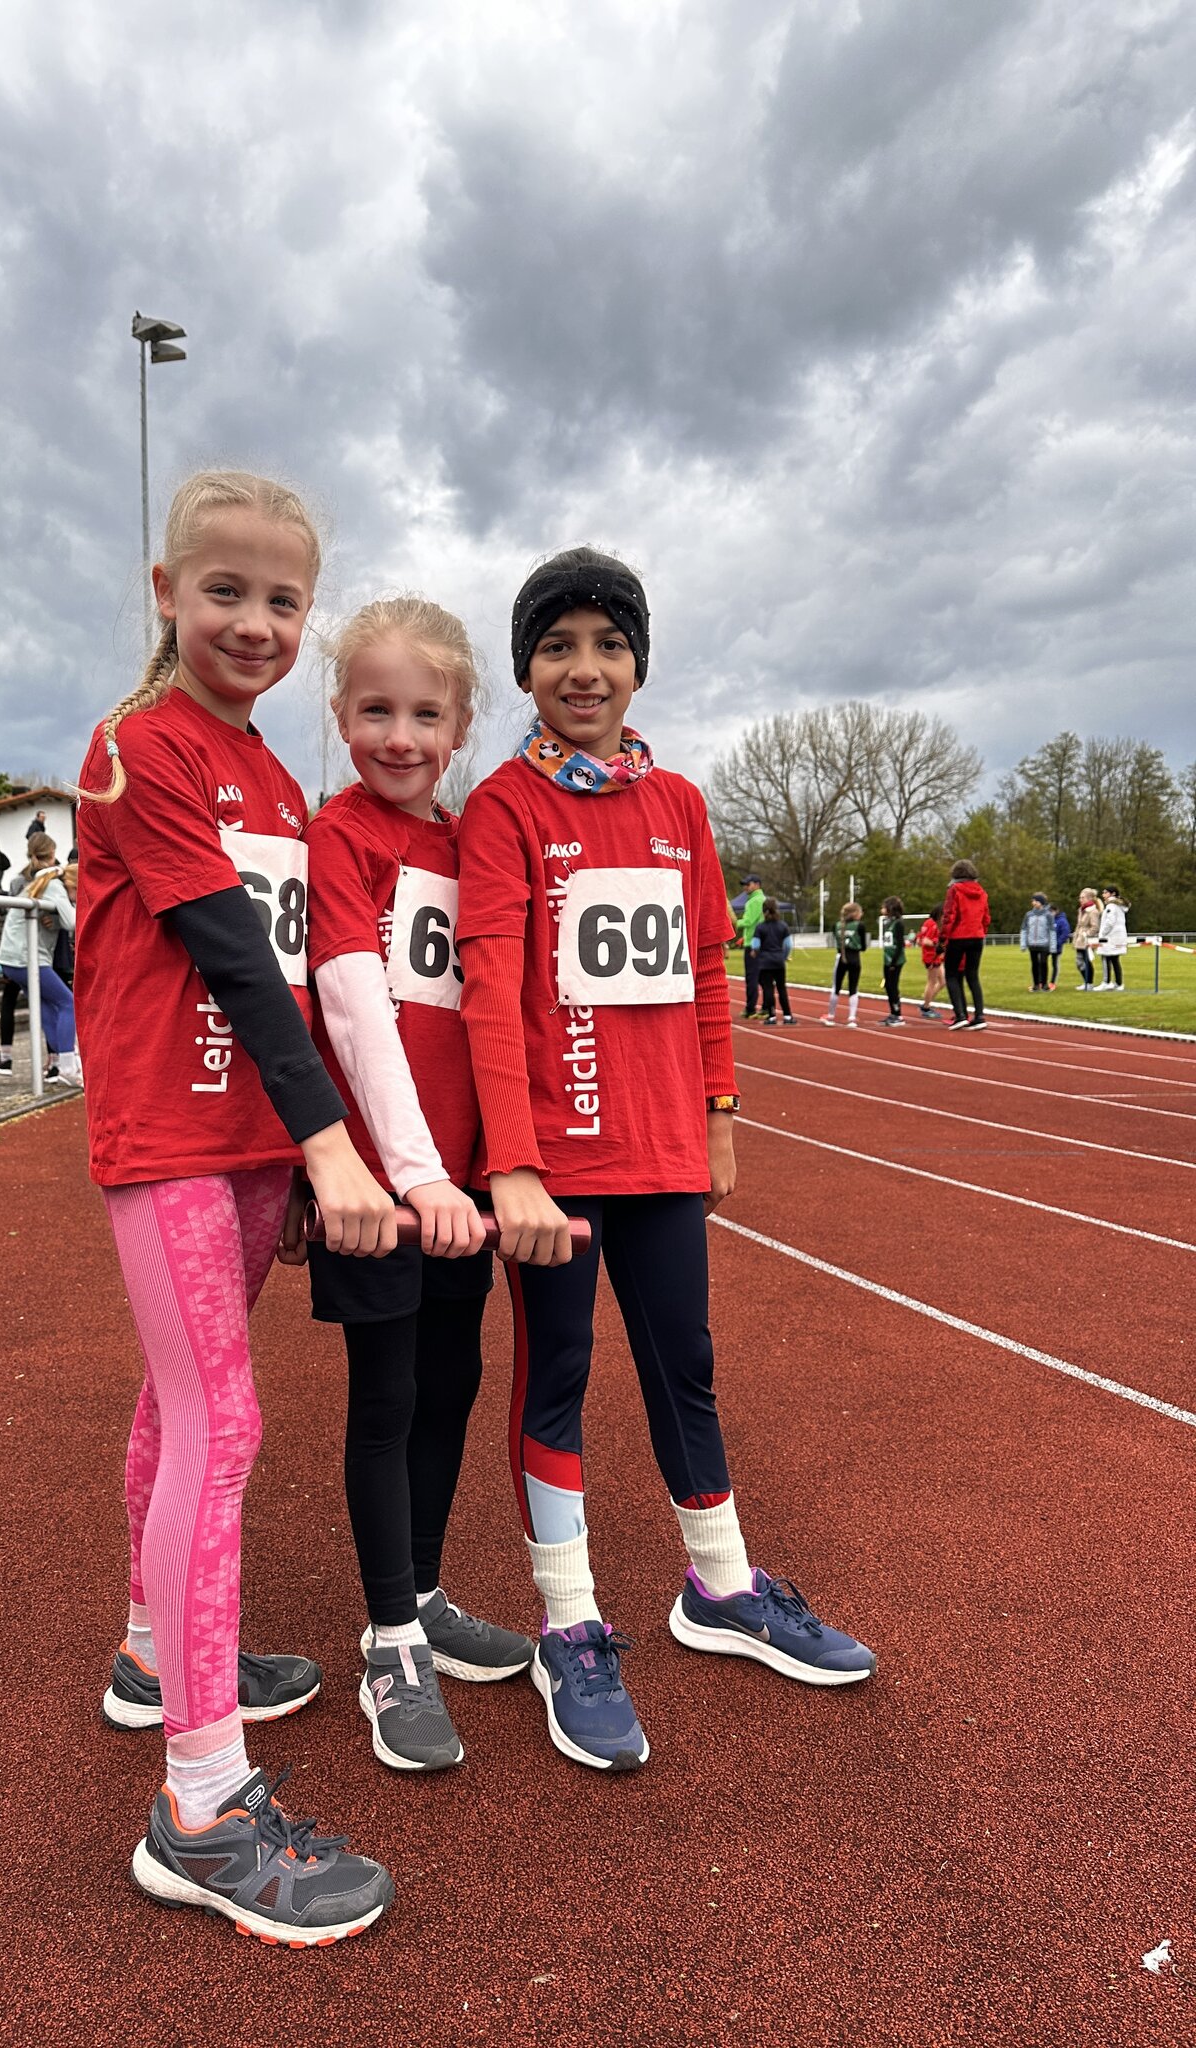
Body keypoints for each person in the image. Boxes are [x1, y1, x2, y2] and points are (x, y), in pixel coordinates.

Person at [457, 545, 874, 1775]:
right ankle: (569, 1622)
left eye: (608, 643)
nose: (584, 668)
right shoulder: (503, 808)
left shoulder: (682, 805)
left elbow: (700, 969)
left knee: (685, 1364)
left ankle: (722, 1587)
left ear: (639, 660)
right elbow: (492, 995)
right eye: (557, 646)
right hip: (553, 1169)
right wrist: (513, 1165)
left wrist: (722, 1111)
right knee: (560, 1376)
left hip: (664, 1154)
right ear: (527, 666)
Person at [75, 470, 395, 1943]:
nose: (255, 623)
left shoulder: (275, 780)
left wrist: (318, 1141)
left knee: (174, 1400)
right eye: (225, 593)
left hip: (256, 1142)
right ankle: (199, 1805)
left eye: (281, 601)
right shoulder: (139, 746)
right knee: (224, 1420)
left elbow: (313, 979)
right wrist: (335, 1146)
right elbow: (230, 960)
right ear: (165, 593)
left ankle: (154, 1656)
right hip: (176, 1142)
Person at [301, 596, 533, 1774]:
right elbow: (351, 1003)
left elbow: (496, 1016)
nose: (400, 735)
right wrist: (411, 1173)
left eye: (425, 713)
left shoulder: (469, 843)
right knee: (386, 1395)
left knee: (455, 1377)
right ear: (342, 716)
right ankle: (389, 1635)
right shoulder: (337, 838)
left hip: (465, 1189)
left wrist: (497, 1169)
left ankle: (427, 1589)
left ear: (460, 725)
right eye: (376, 710)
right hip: (384, 1188)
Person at [0, 844, 79, 1083]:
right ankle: (67, 1065)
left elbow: (63, 919)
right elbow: (73, 922)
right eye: (78, 893)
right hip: (25, 957)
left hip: (17, 956)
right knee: (67, 1003)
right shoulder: (55, 886)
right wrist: (65, 914)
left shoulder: (48, 881)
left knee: (46, 1005)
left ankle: (62, 1063)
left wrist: (55, 918)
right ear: (72, 886)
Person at [939, 858, 990, 1031]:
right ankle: (979, 1015)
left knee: (951, 974)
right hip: (977, 936)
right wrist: (981, 931)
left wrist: (942, 939)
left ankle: (960, 1014)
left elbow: (949, 915)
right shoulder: (982, 892)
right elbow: (986, 917)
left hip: (958, 936)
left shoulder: (955, 890)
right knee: (973, 975)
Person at [752, 896, 795, 1024]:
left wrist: (756, 954)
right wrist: (784, 956)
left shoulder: (760, 927)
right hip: (779, 961)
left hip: (765, 962)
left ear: (763, 911)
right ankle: (787, 1015)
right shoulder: (783, 926)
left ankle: (771, 1016)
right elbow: (788, 945)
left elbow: (756, 945)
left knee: (768, 989)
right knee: (782, 988)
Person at [823, 901, 867, 1027]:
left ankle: (831, 1016)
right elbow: (863, 947)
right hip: (854, 958)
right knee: (853, 988)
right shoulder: (860, 925)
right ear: (854, 914)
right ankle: (851, 1017)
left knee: (836, 987)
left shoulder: (837, 925)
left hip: (841, 957)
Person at [735, 872, 764, 1018]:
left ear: (757, 885)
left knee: (752, 977)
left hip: (753, 946)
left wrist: (732, 923)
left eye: (748, 884)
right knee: (763, 977)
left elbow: (748, 922)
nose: (745, 887)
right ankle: (766, 1008)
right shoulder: (761, 899)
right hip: (759, 942)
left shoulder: (754, 901)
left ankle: (750, 1008)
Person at [1095, 884, 1129, 990]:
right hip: (1117, 937)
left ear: (1113, 894)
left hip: (1110, 937)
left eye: (1105, 892)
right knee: (1115, 960)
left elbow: (1110, 922)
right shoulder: (1119, 906)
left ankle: (1106, 982)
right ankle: (1119, 984)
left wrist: (1102, 934)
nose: (1103, 895)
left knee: (1105, 958)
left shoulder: (1111, 906)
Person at [879, 895, 906, 1025]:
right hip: (887, 959)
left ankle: (897, 1014)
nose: (881, 909)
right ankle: (892, 1012)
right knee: (888, 987)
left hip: (895, 960)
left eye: (884, 907)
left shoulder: (898, 923)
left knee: (892, 986)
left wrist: (894, 962)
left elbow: (900, 944)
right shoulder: (888, 923)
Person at [1020, 893, 1053, 993]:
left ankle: (1044, 984)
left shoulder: (1048, 915)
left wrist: (1052, 945)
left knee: (1043, 963)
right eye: (1033, 901)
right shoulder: (1029, 915)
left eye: (1036, 901)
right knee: (1034, 964)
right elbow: (1024, 929)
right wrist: (1023, 943)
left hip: (1044, 943)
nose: (1033, 903)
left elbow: (1052, 931)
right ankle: (1035, 984)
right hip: (1032, 944)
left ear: (1041, 903)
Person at [917, 903, 944, 1017]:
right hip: (932, 957)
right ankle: (926, 1007)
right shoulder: (933, 924)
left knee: (943, 981)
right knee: (932, 982)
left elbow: (919, 939)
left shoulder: (927, 923)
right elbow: (925, 941)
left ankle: (926, 1002)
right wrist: (936, 944)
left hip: (933, 956)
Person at [1071, 889, 1101, 991]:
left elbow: (1095, 927)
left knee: (1086, 961)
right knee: (1079, 962)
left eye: (1082, 897)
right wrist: (1075, 938)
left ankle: (1089, 983)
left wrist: (1086, 935)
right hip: (1080, 939)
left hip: (1087, 941)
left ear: (1089, 898)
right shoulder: (1081, 910)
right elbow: (1078, 926)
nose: (1080, 899)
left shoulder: (1093, 911)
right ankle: (1086, 982)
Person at [1049, 902, 1071, 991]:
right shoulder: (1048, 920)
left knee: (1055, 964)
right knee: (1042, 963)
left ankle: (1052, 982)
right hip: (1046, 946)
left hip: (1056, 947)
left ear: (1056, 911)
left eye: (1051, 911)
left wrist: (1057, 943)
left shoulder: (1062, 921)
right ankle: (1040, 982)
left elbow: (1065, 933)